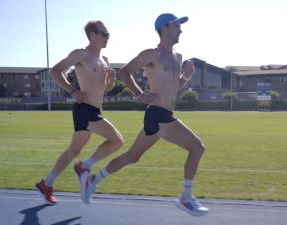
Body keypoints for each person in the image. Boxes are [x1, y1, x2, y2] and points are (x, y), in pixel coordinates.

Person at [83, 13, 209, 216]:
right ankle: (186, 198)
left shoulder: (178, 57)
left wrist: (187, 75)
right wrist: (140, 94)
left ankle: (93, 181)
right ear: (164, 28)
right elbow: (125, 72)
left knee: (131, 157)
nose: (181, 30)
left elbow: (174, 89)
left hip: (163, 114)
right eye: (177, 26)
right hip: (158, 115)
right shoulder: (151, 54)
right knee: (197, 147)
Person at [35, 20, 124, 205]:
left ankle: (47, 183)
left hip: (94, 109)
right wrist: (73, 91)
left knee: (73, 150)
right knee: (117, 141)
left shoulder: (104, 60)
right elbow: (55, 71)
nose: (108, 37)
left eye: (108, 34)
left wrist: (111, 80)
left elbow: (107, 88)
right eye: (104, 33)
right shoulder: (81, 54)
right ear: (93, 35)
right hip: (85, 109)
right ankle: (84, 167)